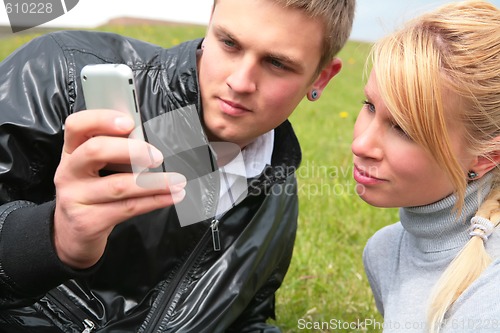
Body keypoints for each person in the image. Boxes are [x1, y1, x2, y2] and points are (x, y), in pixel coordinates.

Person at [0, 0, 355, 332]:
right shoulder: (58, 72)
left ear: (320, 78)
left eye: (277, 63)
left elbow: (247, 318)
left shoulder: (279, 192)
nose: (240, 83)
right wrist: (51, 238)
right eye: (229, 43)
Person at [352, 1, 500, 332]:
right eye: (369, 106)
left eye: (403, 129)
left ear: (486, 157)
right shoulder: (385, 252)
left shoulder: (489, 304)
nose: (360, 145)